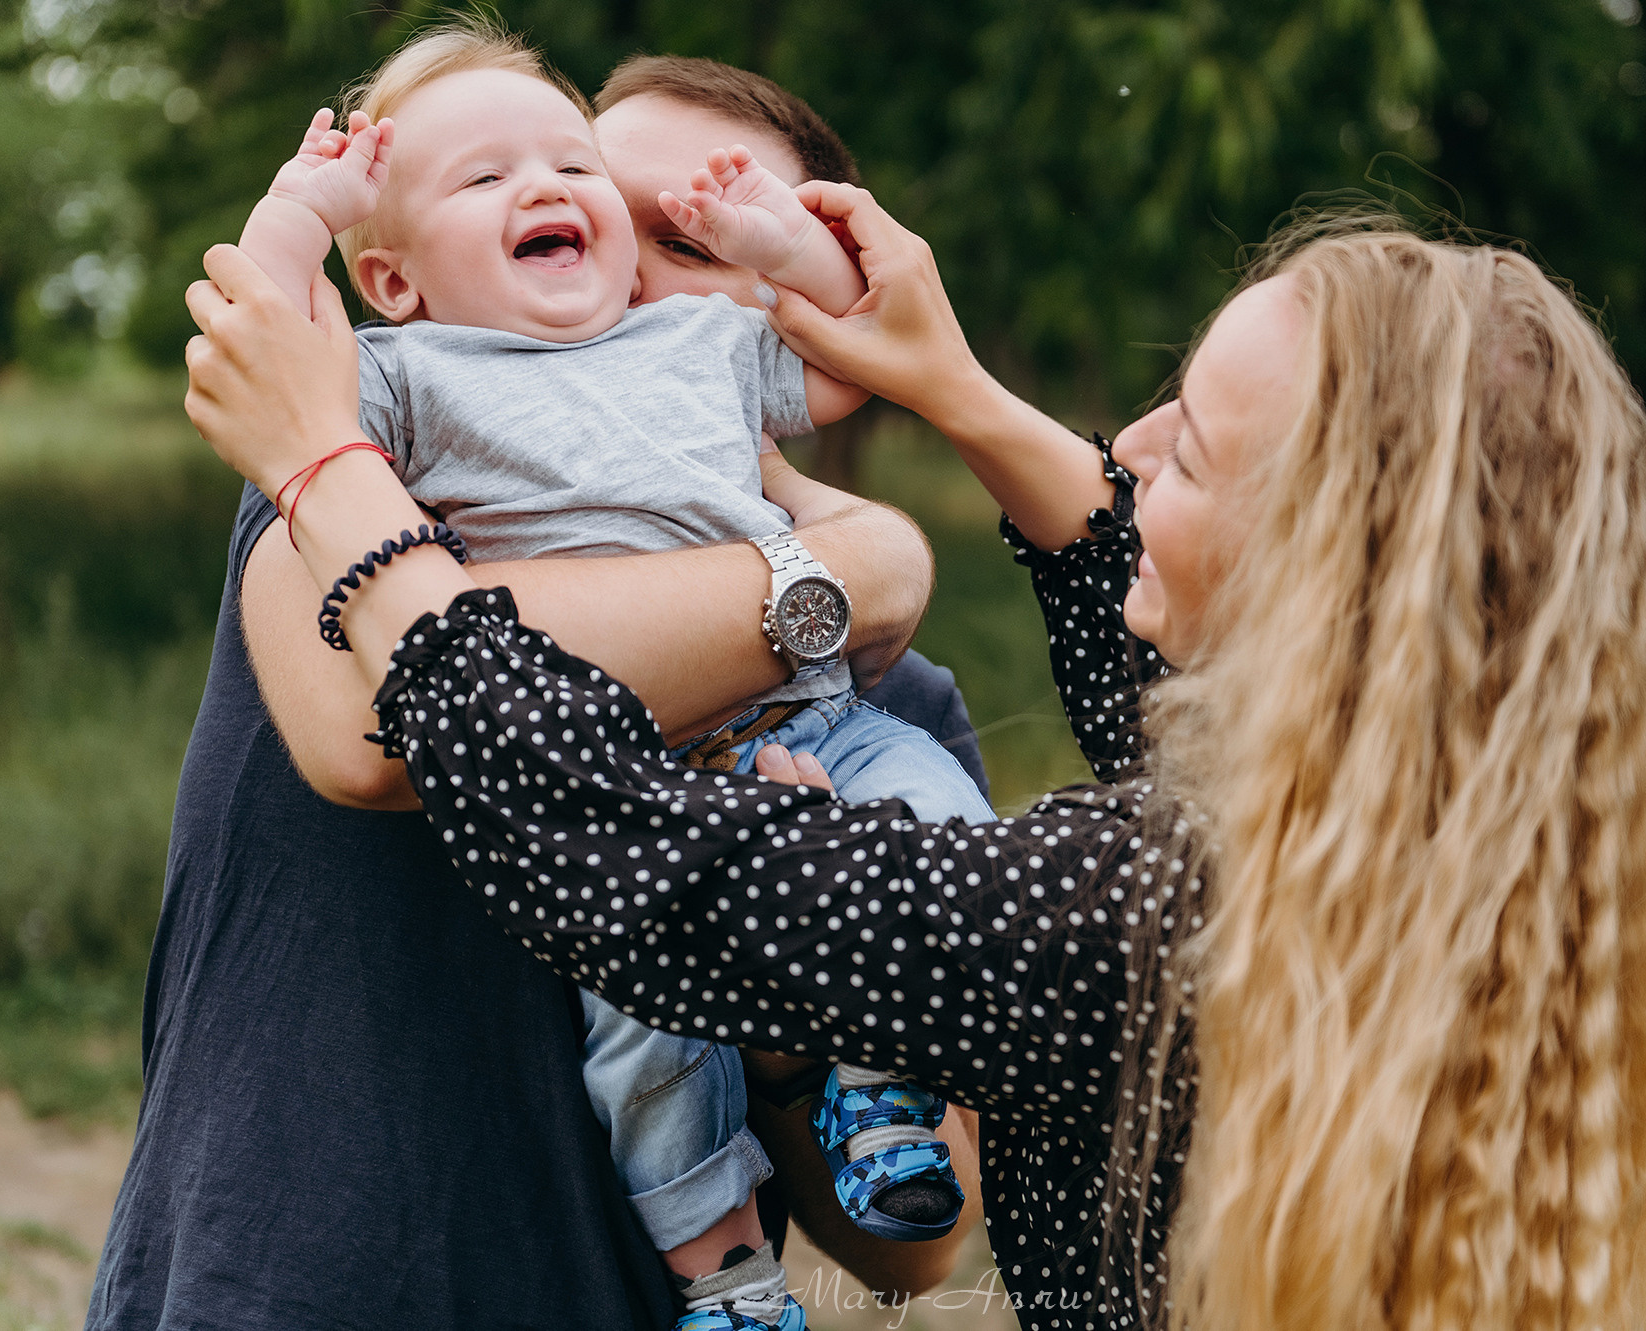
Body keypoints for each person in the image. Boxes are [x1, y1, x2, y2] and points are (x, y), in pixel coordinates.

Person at [184, 189, 1646, 1331]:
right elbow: (1136, 640)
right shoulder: (1405, 835)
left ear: (1326, 567)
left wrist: (333, 476)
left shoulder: (1133, 912)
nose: (1129, 441)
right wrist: (954, 386)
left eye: (1198, 450)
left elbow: (643, 853)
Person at [87, 56, 983, 1331]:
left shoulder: (884, 713)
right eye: (543, 179)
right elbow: (374, 730)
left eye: (688, 231)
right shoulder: (356, 481)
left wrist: (793, 995)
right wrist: (839, 569)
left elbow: (915, 1253)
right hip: (285, 1280)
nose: (612, 250)